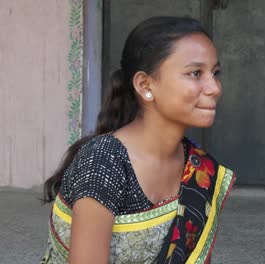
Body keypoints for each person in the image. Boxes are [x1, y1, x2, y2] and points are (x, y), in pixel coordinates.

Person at [40, 16, 236, 264]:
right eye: (195, 73)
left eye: (215, 72)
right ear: (145, 84)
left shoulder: (199, 169)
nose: (214, 87)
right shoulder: (104, 162)